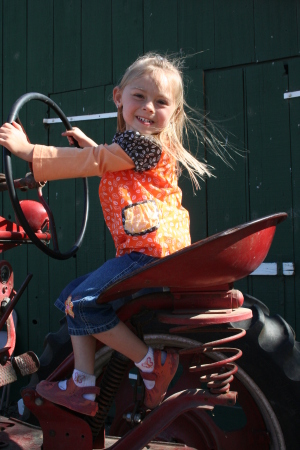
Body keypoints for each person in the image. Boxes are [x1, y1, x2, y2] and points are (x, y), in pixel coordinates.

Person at [0, 53, 223, 416]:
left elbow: (99, 163)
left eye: (161, 102)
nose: (149, 107)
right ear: (118, 96)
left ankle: (151, 363)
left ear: (174, 113)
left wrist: (28, 151)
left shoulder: (146, 145)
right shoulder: (131, 147)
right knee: (73, 297)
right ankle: (82, 386)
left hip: (152, 253)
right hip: (143, 252)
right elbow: (109, 162)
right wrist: (91, 145)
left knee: (85, 304)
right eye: (140, 96)